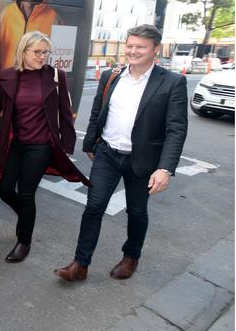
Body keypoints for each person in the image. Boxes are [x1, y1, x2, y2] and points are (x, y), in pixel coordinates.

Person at [55, 24, 188, 282]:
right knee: (93, 207)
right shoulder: (111, 76)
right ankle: (80, 264)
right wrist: (90, 143)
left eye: (140, 47)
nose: (133, 51)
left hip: (143, 161)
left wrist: (165, 168)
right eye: (129, 45)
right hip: (107, 155)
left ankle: (131, 256)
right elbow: (97, 112)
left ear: (155, 50)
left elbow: (176, 129)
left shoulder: (172, 82)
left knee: (137, 211)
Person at [0, 31, 88, 263]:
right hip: (14, 144)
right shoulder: (7, 77)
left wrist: (67, 144)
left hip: (41, 146)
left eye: (46, 52)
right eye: (37, 52)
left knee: (26, 193)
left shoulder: (56, 76)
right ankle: (26, 215)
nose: (42, 57)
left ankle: (24, 241)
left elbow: (65, 113)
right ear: (23, 51)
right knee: (3, 189)